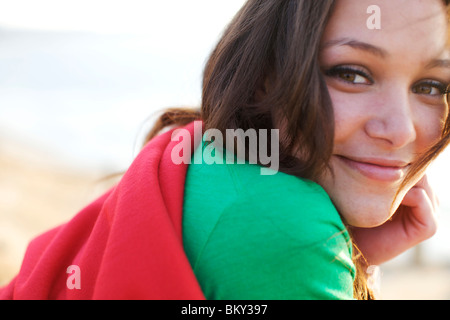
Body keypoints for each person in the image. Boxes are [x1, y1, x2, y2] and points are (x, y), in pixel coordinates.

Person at [1, 0, 449, 300]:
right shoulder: (279, 223)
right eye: (352, 74)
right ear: (265, 76)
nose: (402, 130)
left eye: (432, 86)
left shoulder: (205, 151)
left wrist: (352, 256)